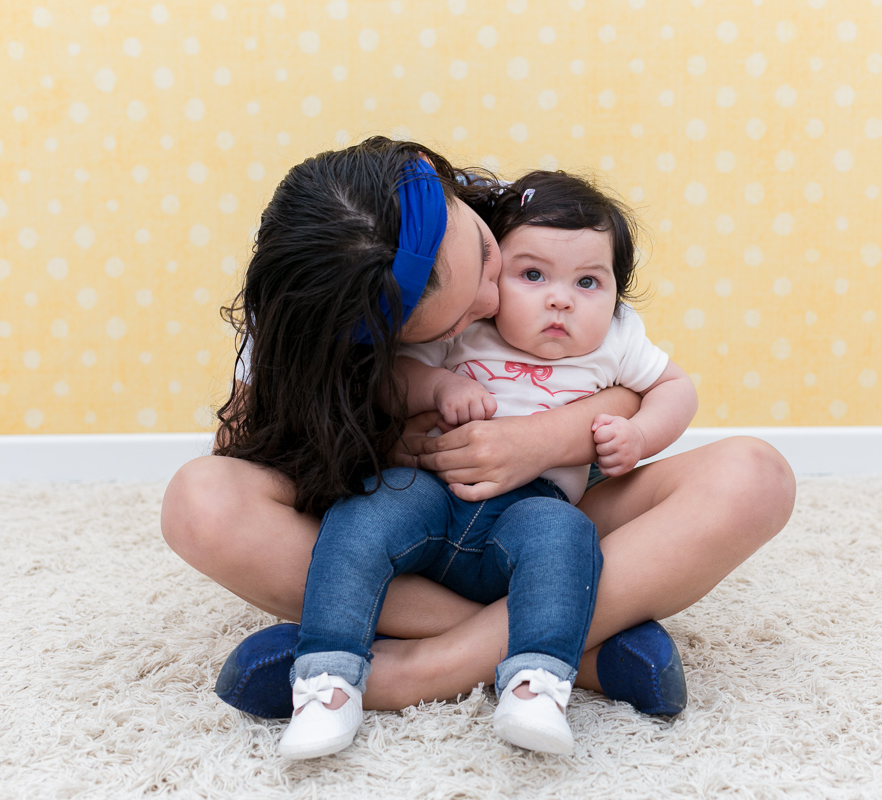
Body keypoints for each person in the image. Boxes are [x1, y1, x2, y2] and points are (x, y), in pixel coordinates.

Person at [160, 136, 796, 733]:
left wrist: (537, 443)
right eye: (464, 315)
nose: (498, 302)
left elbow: (631, 389)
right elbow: (259, 456)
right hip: (409, 538)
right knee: (199, 501)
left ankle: (409, 671)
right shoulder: (308, 348)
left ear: (451, 191)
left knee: (755, 474)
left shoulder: (514, 231)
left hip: (556, 520)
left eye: (490, 260)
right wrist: (383, 440)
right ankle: (579, 648)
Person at [279, 167, 700, 759]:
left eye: (589, 282)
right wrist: (437, 389)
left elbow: (676, 388)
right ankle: (327, 677)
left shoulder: (618, 339)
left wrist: (639, 433)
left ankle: (537, 685)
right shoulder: (467, 322)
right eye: (532, 275)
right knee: (362, 514)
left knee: (566, 538)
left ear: (616, 292)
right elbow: (393, 374)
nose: (560, 297)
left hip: (529, 511)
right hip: (430, 494)